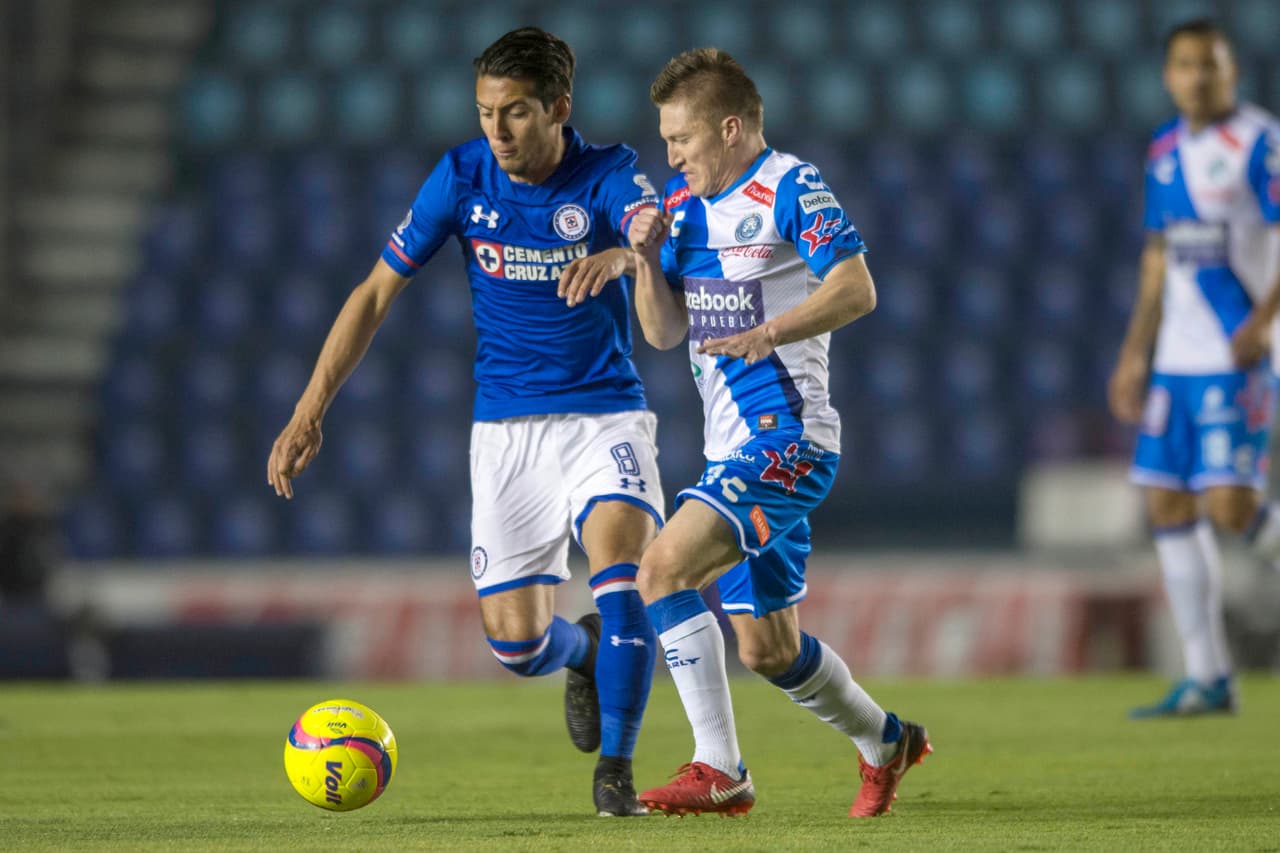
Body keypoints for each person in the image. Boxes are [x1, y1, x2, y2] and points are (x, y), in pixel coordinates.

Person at [267, 27, 663, 816]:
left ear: (559, 107)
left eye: (515, 112)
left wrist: (625, 253)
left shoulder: (607, 173)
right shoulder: (461, 176)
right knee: (517, 645)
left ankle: (615, 772)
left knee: (624, 578)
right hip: (506, 431)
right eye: (486, 112)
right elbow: (375, 293)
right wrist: (309, 410)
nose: (498, 131)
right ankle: (580, 654)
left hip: (604, 415)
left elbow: (650, 222)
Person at [623, 48, 930, 818]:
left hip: (787, 441)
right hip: (732, 450)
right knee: (767, 648)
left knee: (660, 569)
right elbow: (664, 333)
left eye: (681, 140)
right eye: (665, 143)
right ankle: (887, 741)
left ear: (729, 129)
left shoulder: (791, 185)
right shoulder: (684, 211)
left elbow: (856, 287)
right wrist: (644, 260)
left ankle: (719, 769)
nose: (672, 156)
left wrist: (771, 330)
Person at [1107, 18, 1280, 718]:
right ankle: (1209, 677)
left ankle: (1212, 675)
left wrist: (1263, 324)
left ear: (1230, 70)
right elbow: (1158, 257)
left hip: (1234, 351)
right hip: (1175, 361)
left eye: (1209, 64)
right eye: (1184, 64)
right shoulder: (1165, 149)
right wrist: (1134, 352)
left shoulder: (1260, 141)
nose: (1197, 76)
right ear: (1169, 75)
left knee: (1230, 504)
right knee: (1169, 504)